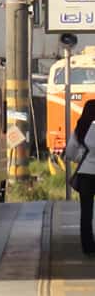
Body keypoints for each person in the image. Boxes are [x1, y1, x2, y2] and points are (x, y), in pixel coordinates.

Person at [66, 100, 95, 255]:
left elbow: (70, 152)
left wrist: (81, 157)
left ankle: (88, 246)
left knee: (86, 212)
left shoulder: (81, 128)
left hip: (85, 174)